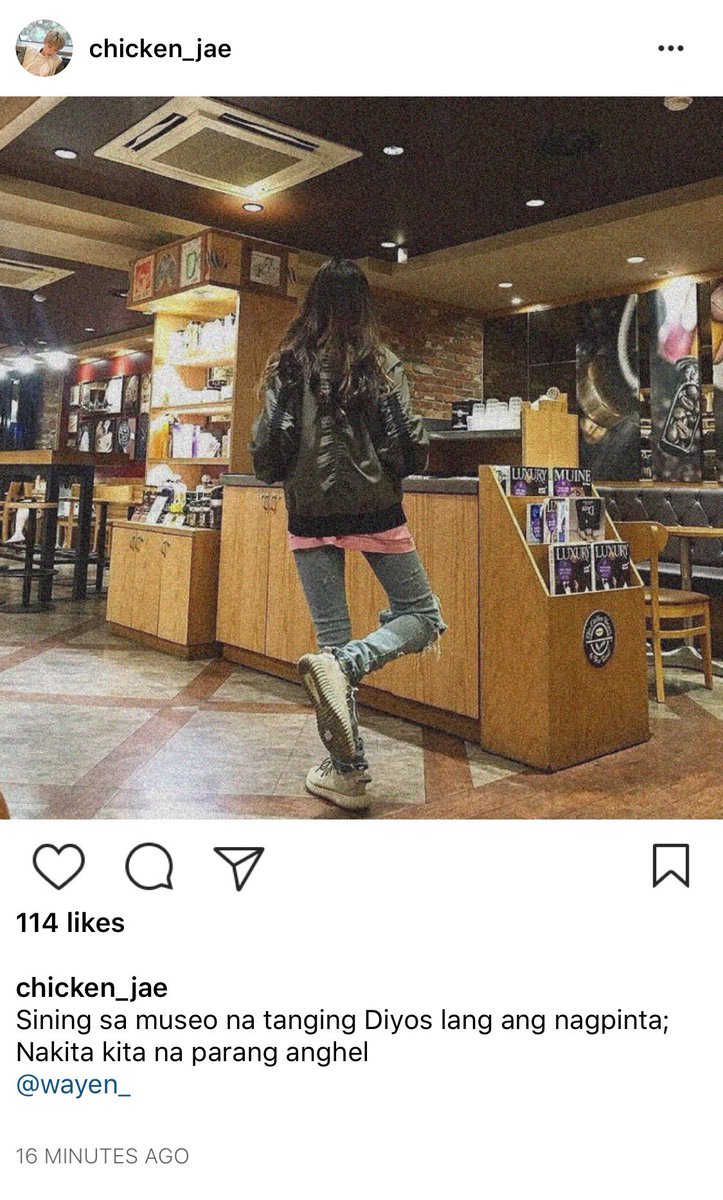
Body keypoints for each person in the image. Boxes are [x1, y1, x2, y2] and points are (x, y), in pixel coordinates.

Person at [251, 258, 446, 811]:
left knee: (332, 644)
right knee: (423, 616)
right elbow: (411, 446)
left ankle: (349, 771)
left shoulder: (287, 366)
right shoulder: (382, 364)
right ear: (364, 304)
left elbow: (266, 454)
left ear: (311, 301)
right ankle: (350, 676)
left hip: (308, 515)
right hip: (376, 511)